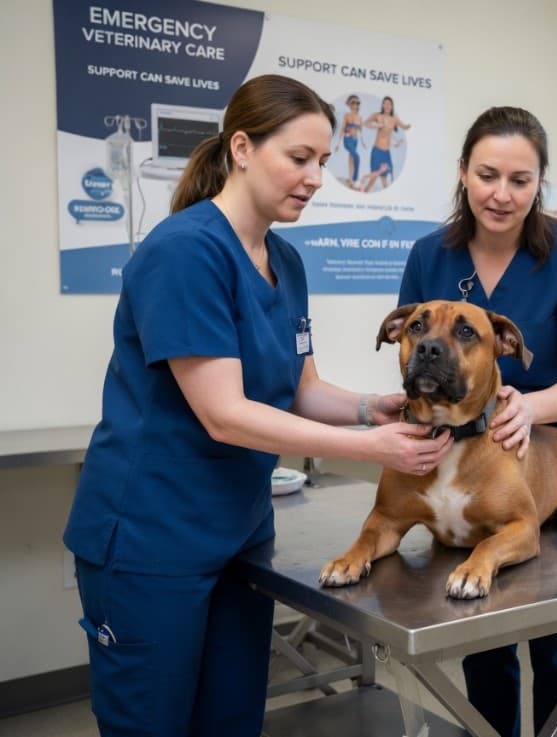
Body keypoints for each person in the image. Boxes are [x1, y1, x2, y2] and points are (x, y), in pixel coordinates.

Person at [62, 74, 452, 737]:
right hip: (152, 536)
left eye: (324, 162)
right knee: (152, 723)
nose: (315, 177)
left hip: (237, 533)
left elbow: (301, 386)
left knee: (232, 719)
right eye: (299, 158)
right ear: (241, 148)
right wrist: (370, 449)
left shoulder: (285, 261)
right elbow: (225, 412)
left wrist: (371, 408)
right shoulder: (185, 251)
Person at [397, 106, 557, 737]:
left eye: (520, 180)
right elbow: (416, 350)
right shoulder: (429, 255)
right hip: (467, 465)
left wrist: (528, 405)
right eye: (488, 174)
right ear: (463, 173)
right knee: (483, 644)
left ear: (539, 182)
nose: (502, 193)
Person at [362, 95, 411, 192]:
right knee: (374, 178)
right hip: (377, 151)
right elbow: (365, 123)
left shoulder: (394, 119)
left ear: (392, 106)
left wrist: (411, 124)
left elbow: (404, 126)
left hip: (386, 153)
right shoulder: (377, 116)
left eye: (389, 104)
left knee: (384, 178)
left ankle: (387, 200)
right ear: (383, 105)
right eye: (385, 103)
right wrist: (376, 125)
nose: (387, 106)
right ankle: (364, 191)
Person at [336, 93, 364, 187]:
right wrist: (338, 143)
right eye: (353, 103)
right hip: (347, 139)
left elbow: (361, 131)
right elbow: (342, 128)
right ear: (349, 104)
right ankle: (356, 179)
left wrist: (363, 142)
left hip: (355, 140)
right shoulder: (347, 115)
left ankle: (351, 179)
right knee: (357, 157)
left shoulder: (360, 117)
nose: (355, 105)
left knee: (351, 158)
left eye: (357, 103)